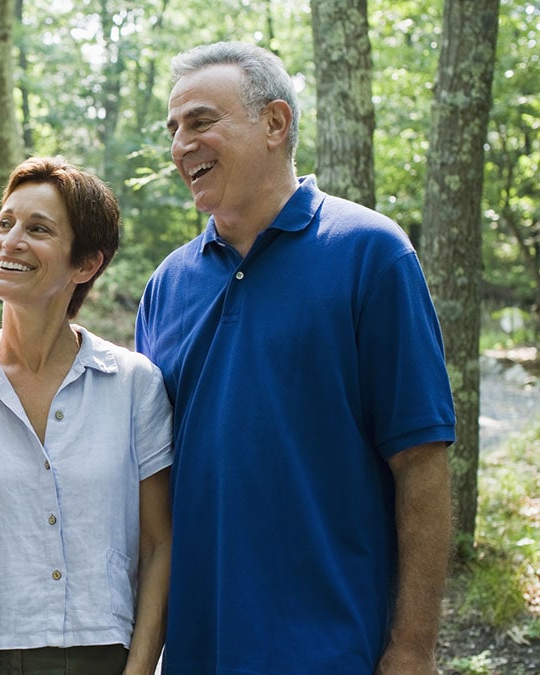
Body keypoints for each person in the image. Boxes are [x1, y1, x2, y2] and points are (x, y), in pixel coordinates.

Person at [135, 41, 456, 674]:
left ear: (275, 123)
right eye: (173, 130)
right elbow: (150, 490)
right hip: (196, 649)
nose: (180, 146)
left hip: (331, 649)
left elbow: (421, 463)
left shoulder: (371, 253)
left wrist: (412, 649)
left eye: (201, 122)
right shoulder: (167, 285)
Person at [0, 157, 173, 675]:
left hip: (102, 654)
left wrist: (141, 668)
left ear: (85, 264)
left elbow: (158, 545)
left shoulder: (133, 384)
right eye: (5, 223)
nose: (10, 241)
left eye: (38, 229)